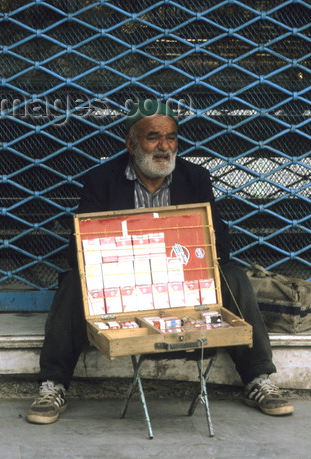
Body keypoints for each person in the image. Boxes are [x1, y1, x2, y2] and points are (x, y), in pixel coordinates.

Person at [26, 99, 294, 424]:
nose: (164, 147)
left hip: (180, 281)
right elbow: (77, 251)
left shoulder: (195, 178)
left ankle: (259, 379)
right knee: (71, 284)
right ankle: (52, 385)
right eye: (153, 137)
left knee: (233, 277)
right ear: (131, 142)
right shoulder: (102, 180)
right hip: (121, 280)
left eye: (171, 138)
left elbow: (220, 246)